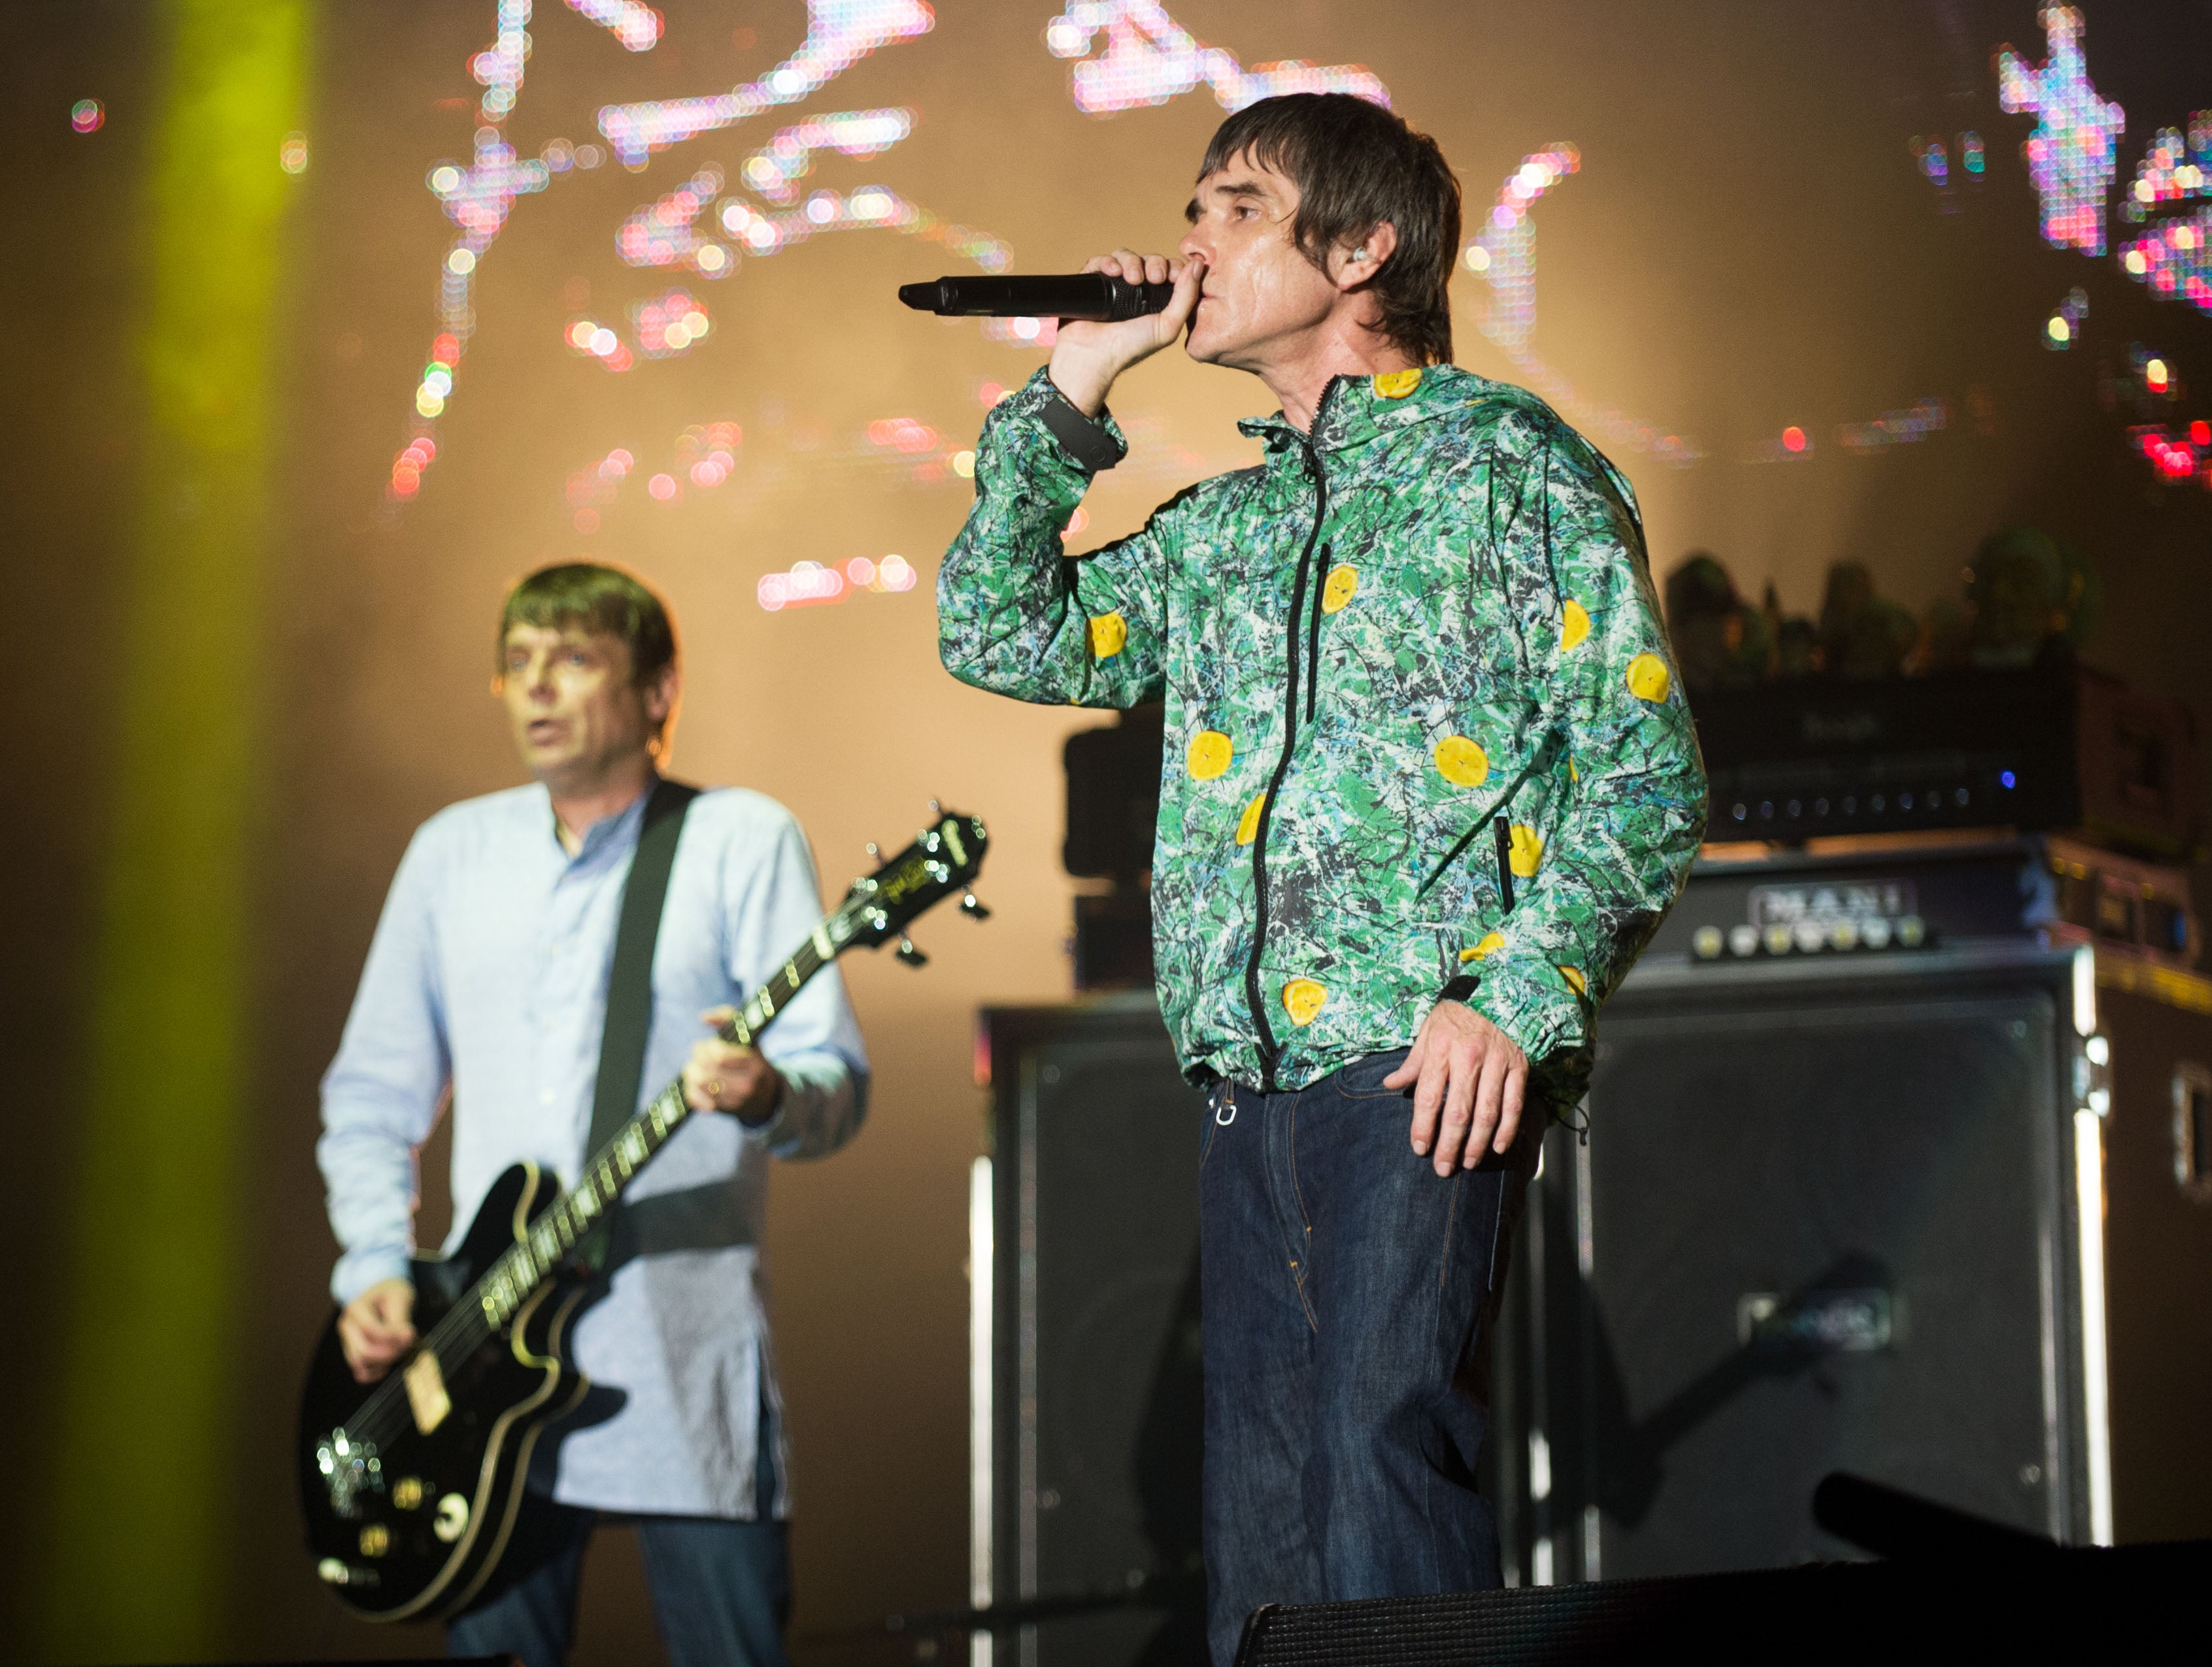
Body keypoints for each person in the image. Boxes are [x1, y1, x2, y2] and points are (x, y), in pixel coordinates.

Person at [935, 94, 1705, 1660]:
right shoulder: (1223, 523)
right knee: (1268, 1551)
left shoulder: (1509, 469)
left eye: (1231, 207)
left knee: (1377, 1495)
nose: (1192, 241)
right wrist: (1073, 385)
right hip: (1246, 1085)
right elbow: (997, 631)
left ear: (1359, 248)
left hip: (1412, 1069)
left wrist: (1515, 993)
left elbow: (1647, 772)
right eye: (1197, 207)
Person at [318, 561, 868, 1667]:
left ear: (659, 691)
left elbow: (836, 1087)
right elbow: (374, 1089)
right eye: (517, 663)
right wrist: (375, 1261)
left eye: (572, 661)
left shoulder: (738, 839)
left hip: (680, 1355)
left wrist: (768, 1094)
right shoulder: (451, 854)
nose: (537, 690)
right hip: (478, 1382)